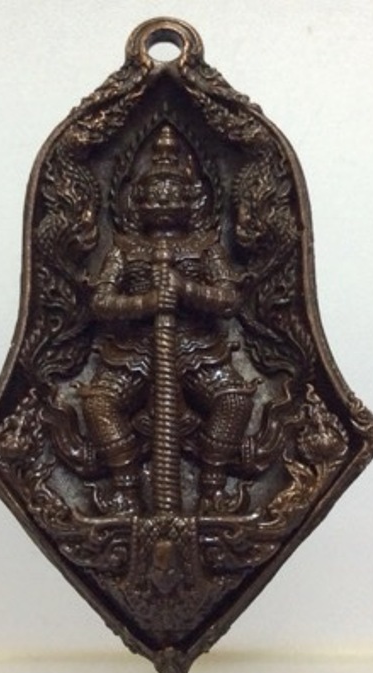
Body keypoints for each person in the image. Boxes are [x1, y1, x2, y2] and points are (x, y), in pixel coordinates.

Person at [80, 124, 254, 515]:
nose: (162, 200)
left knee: (234, 399)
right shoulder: (125, 249)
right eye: (154, 195)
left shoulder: (205, 246)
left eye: (172, 193)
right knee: (99, 403)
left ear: (193, 201)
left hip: (195, 348)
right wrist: (146, 301)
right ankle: (126, 487)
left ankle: (211, 487)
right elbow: (102, 302)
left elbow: (229, 299)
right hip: (136, 352)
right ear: (136, 202)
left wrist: (186, 289)